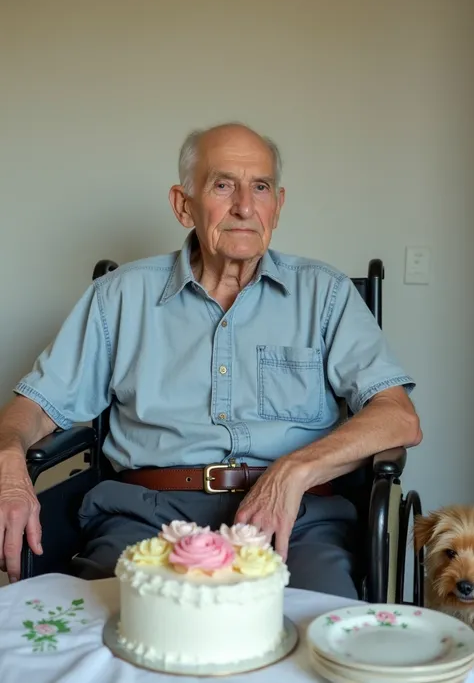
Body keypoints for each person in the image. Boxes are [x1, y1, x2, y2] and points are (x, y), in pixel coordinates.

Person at [0, 123, 422, 595]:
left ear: (277, 206)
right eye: (223, 185)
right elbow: (33, 407)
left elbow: (398, 418)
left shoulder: (325, 294)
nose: (244, 205)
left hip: (296, 522)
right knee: (108, 637)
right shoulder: (118, 297)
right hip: (146, 517)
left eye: (259, 187)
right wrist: (8, 464)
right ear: (184, 205)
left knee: (321, 642)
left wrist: (294, 470)